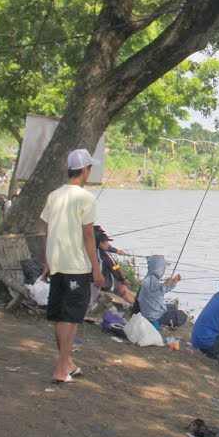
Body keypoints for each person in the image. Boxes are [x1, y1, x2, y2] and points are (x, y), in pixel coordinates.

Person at [40, 148, 104, 384]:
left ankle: (66, 362)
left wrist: (47, 260)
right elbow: (88, 235)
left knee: (61, 315)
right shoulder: (86, 198)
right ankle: (60, 368)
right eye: (90, 168)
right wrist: (96, 269)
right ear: (85, 170)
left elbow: (49, 230)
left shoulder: (54, 195)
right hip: (77, 266)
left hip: (56, 263)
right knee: (71, 317)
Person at [135, 255, 183, 329]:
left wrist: (173, 282)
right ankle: (161, 323)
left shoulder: (150, 278)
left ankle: (168, 322)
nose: (164, 269)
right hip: (153, 316)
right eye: (163, 267)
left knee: (173, 307)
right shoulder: (151, 280)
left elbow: (161, 291)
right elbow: (155, 294)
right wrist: (165, 285)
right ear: (158, 267)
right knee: (183, 316)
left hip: (152, 311)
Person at [94, 226, 136, 304]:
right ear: (101, 243)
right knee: (124, 290)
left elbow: (107, 247)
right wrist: (123, 279)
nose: (109, 244)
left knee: (126, 290)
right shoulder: (105, 255)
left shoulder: (93, 250)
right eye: (107, 241)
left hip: (99, 281)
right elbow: (115, 268)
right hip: (106, 283)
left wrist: (116, 251)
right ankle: (138, 307)